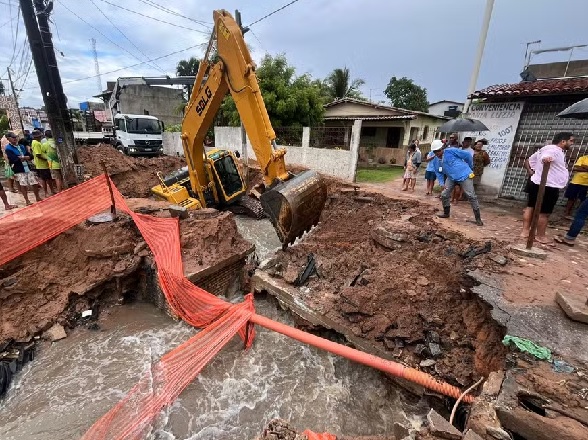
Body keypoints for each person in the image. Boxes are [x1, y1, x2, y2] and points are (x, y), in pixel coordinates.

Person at [520, 132, 574, 243]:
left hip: (537, 182)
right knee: (543, 213)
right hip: (548, 185)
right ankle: (540, 236)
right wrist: (546, 159)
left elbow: (530, 161)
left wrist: (532, 172)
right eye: (571, 141)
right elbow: (546, 157)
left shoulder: (545, 148)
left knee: (531, 207)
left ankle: (525, 231)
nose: (572, 143)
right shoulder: (553, 150)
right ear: (563, 141)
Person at [434, 140, 483, 226]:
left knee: (471, 195)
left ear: (442, 148)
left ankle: (478, 219)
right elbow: (438, 172)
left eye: (438, 150)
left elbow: (467, 155)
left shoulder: (451, 151)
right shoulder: (437, 160)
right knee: (444, 194)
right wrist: (442, 183)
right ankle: (446, 213)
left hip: (464, 175)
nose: (437, 153)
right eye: (435, 152)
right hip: (451, 177)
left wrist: (469, 166)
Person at [4, 131, 42, 205]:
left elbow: (30, 155)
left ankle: (37, 197)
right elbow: (13, 159)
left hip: (27, 167)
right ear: (8, 139)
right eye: (13, 137)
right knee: (23, 184)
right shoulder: (8, 148)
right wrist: (24, 157)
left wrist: (24, 157)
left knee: (34, 182)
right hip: (19, 169)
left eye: (16, 137)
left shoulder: (21, 146)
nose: (15, 139)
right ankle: (27, 200)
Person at [31, 129, 55, 197]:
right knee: (44, 179)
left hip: (42, 164)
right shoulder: (37, 143)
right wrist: (47, 159)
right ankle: (46, 192)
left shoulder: (34, 142)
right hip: (42, 164)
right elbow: (38, 155)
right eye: (39, 136)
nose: (40, 137)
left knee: (48, 178)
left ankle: (51, 191)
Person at [563, 153, 588, 218]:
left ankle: (579, 215)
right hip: (576, 181)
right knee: (571, 198)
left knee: (582, 199)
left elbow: (580, 167)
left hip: (586, 183)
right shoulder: (583, 158)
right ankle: (567, 213)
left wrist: (584, 166)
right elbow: (576, 168)